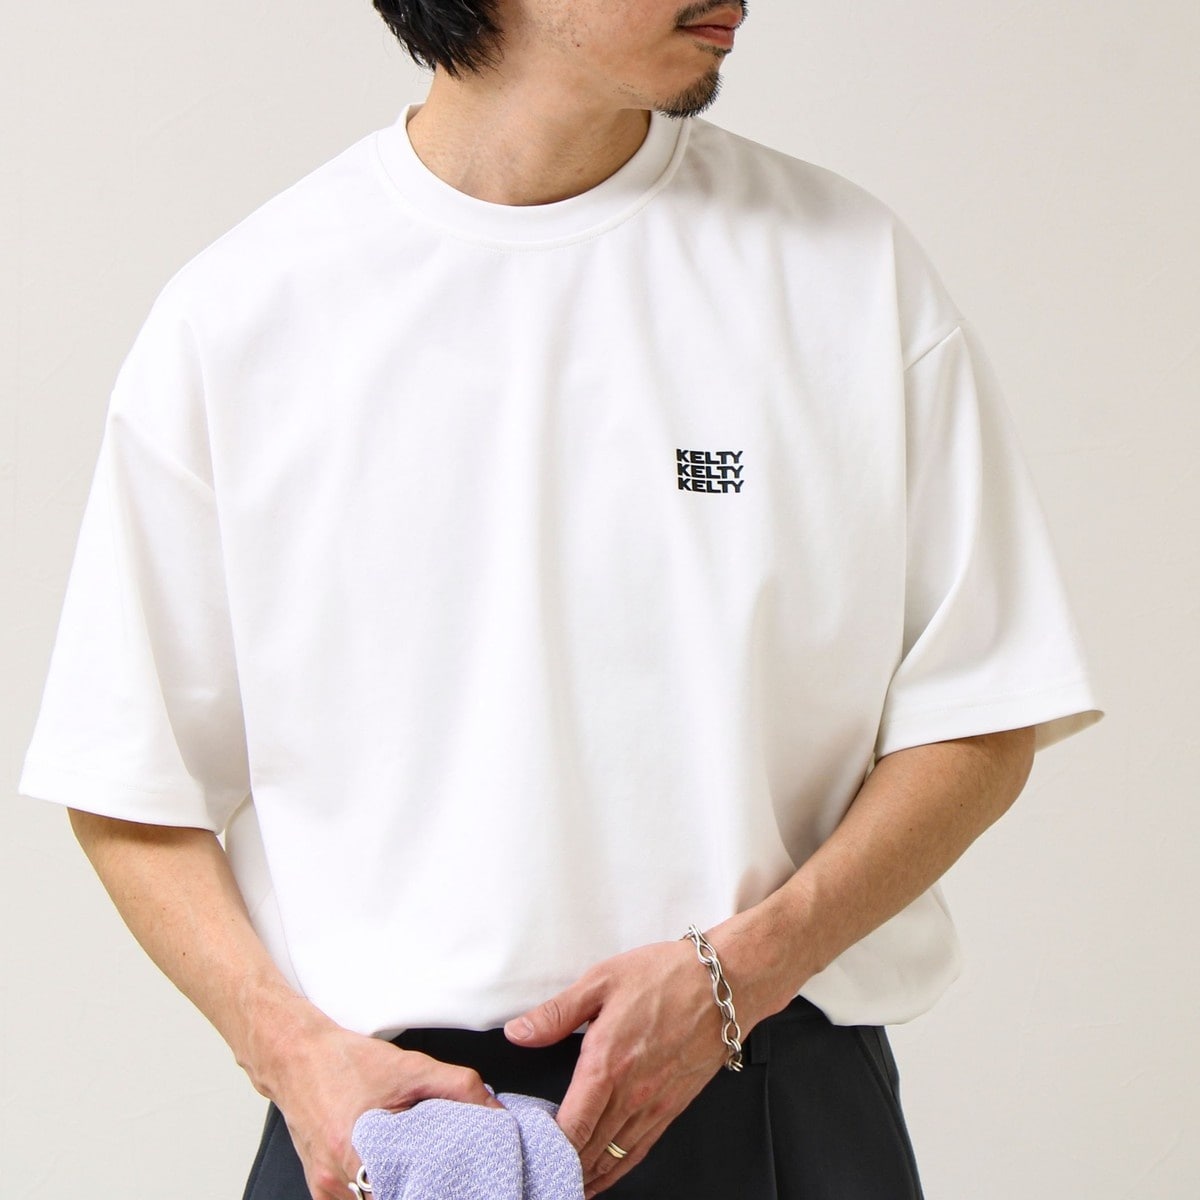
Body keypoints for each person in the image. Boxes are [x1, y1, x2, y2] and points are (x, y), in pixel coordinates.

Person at [17, 2, 1102, 1198]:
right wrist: (292, 1056)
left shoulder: (848, 272)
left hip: (765, 1086)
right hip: (384, 1131)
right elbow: (131, 786)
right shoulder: (243, 313)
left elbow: (981, 712)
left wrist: (738, 975)